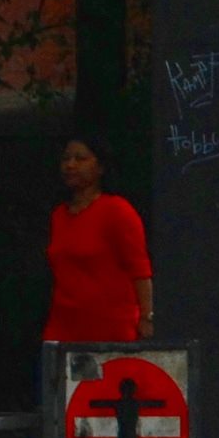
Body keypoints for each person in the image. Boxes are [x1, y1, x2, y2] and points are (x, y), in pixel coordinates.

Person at [44, 135, 152, 344]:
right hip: (64, 326)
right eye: (66, 159)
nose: (70, 165)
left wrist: (147, 317)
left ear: (100, 167)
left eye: (81, 159)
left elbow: (140, 270)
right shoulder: (59, 215)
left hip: (109, 328)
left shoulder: (116, 210)